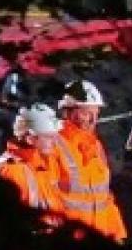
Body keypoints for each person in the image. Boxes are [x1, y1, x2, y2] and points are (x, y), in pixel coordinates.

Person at [53, 80, 127, 241]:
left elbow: (104, 196)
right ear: (67, 112)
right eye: (86, 112)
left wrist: (117, 234)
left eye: (96, 113)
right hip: (68, 242)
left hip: (98, 240)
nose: (93, 120)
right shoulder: (52, 145)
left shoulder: (95, 146)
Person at [0, 104, 67, 225]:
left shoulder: (43, 162)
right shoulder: (12, 169)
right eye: (49, 137)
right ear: (30, 139)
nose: (55, 141)